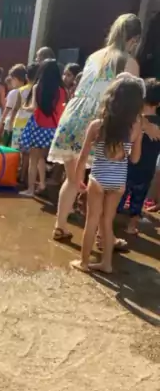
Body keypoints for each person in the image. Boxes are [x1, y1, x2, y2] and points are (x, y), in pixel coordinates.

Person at [49, 13, 142, 243]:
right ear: (134, 39)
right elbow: (129, 99)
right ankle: (102, 236)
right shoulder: (128, 62)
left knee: (72, 180)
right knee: (104, 183)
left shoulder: (94, 56)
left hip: (73, 118)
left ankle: (60, 226)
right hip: (101, 120)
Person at [71, 74, 144, 274]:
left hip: (98, 178)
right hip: (118, 181)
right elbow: (135, 159)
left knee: (92, 220)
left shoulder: (98, 125)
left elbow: (83, 157)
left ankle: (84, 263)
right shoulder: (136, 127)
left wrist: (78, 180)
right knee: (107, 221)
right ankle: (106, 264)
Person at [18, 59, 66, 197]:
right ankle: (43, 183)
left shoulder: (37, 87)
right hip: (53, 128)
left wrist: (24, 107)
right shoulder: (62, 90)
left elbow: (34, 107)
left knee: (33, 160)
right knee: (41, 158)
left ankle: (30, 190)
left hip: (38, 127)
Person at [119, 79, 160, 234]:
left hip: (128, 165)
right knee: (138, 198)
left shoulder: (134, 120)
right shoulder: (157, 124)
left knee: (120, 195)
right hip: (148, 168)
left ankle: (108, 223)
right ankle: (132, 226)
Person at [0, 64, 27, 146]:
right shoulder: (28, 91)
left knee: (6, 147)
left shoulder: (13, 93)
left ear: (16, 79)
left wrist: (1, 122)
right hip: (24, 124)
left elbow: (7, 109)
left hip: (10, 124)